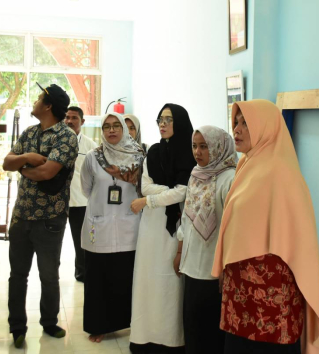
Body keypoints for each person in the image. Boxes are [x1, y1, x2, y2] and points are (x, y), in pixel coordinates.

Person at [211, 100, 319, 354]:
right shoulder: (246, 166)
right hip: (240, 292)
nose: (237, 129)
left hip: (271, 297)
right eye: (236, 122)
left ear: (265, 126)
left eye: (246, 123)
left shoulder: (283, 173)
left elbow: (301, 240)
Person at [2, 83, 79, 349]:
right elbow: (6, 163)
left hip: (50, 218)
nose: (34, 102)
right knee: (17, 275)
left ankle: (49, 322)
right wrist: (29, 157)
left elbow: (47, 173)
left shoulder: (66, 136)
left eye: (38, 99)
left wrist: (22, 167)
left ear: (48, 105)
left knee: (48, 275)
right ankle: (17, 327)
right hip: (21, 215)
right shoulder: (29, 132)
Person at [129, 104, 195, 353]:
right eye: (160, 119)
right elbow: (146, 186)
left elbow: (184, 192)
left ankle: (170, 341)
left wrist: (149, 200)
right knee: (147, 279)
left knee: (170, 283)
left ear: (180, 122)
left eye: (169, 119)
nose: (163, 124)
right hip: (151, 226)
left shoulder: (189, 154)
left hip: (175, 227)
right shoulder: (154, 152)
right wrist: (167, 192)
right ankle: (144, 337)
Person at [80, 113, 145, 343]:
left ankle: (126, 322)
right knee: (98, 277)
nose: (112, 130)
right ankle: (99, 326)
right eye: (107, 126)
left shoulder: (139, 157)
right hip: (100, 224)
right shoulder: (93, 157)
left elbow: (144, 188)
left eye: (117, 125)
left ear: (124, 130)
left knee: (124, 276)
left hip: (129, 226)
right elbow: (87, 189)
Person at [175, 126, 237, 354]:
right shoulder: (196, 174)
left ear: (218, 147)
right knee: (192, 324)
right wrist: (180, 251)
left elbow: (233, 228)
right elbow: (186, 217)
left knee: (210, 330)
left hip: (214, 268)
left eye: (204, 146)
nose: (197, 152)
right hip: (192, 264)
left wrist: (226, 267)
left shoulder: (230, 179)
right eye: (194, 146)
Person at [64, 106, 98, 282]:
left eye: (74, 118)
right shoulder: (56, 142)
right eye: (67, 117)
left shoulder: (90, 146)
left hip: (80, 201)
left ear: (82, 121)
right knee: (53, 242)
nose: (69, 121)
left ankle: (82, 272)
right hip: (57, 201)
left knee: (81, 240)